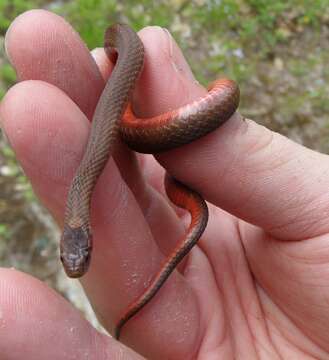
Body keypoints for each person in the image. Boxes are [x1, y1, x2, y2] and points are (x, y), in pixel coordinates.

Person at [0, 9, 328, 360]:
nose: (77, 263)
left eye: (77, 255)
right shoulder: (83, 185)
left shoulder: (87, 181)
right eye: (77, 257)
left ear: (78, 236)